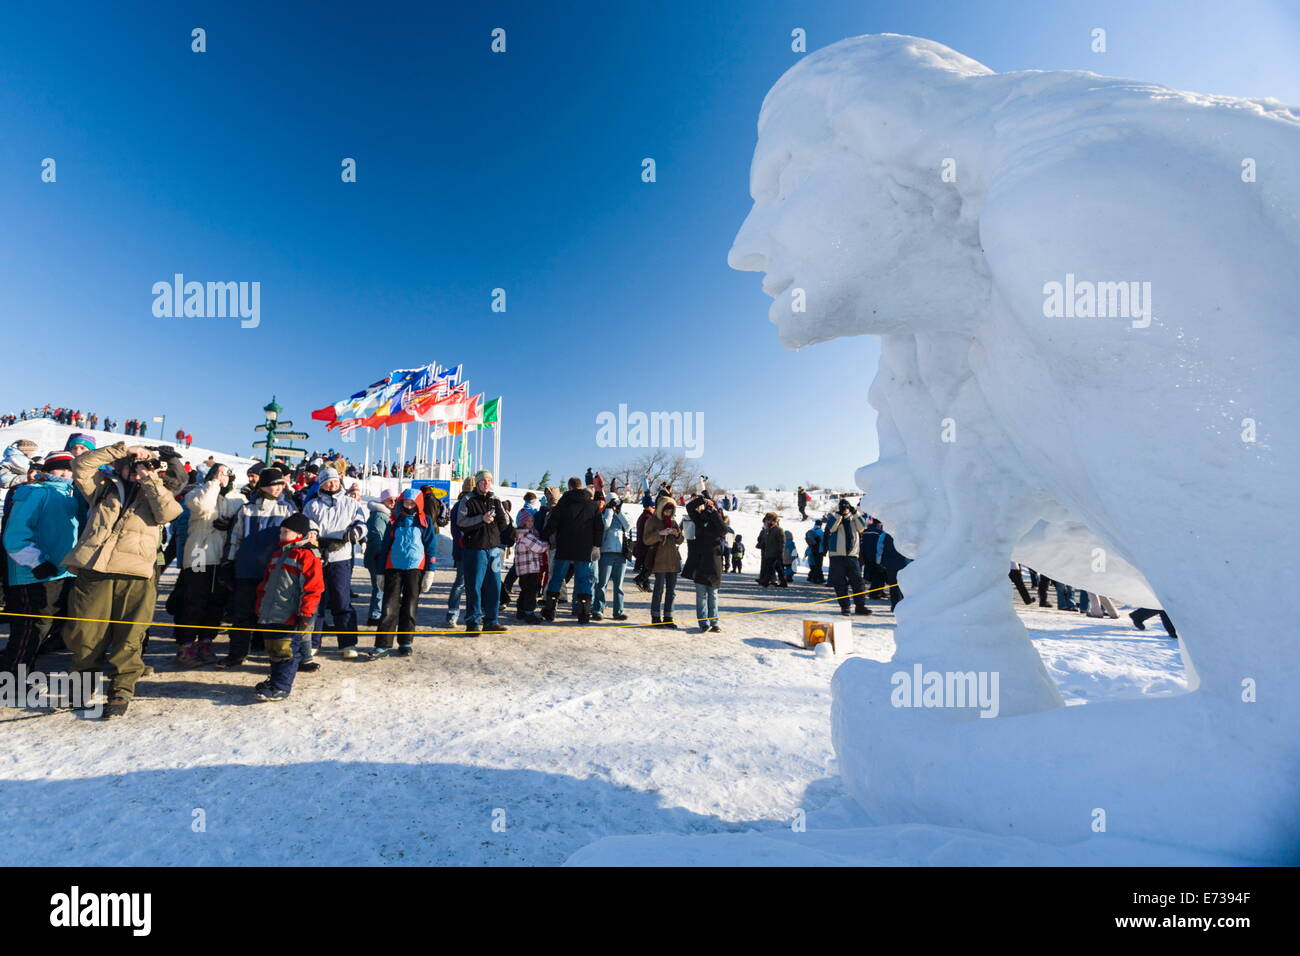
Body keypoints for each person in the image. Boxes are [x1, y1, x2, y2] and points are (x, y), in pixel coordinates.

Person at [60, 442, 183, 718]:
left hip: (136, 574)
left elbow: (168, 513)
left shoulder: (159, 490)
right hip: (95, 570)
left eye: (141, 463)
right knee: (84, 633)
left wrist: (148, 474)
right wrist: (123, 449)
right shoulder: (104, 487)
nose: (135, 468)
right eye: (131, 463)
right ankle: (81, 688)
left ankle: (120, 691)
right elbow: (80, 466)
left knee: (129, 636)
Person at [1, 450, 82, 675]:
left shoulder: (72, 496)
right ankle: (13, 676)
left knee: (46, 627)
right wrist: (36, 562)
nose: (65, 473)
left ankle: (18, 666)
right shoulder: (34, 493)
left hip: (62, 572)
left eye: (70, 469)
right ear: (47, 471)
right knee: (31, 627)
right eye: (60, 468)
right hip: (32, 572)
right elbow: (15, 536)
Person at [221, 467, 298, 667]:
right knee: (242, 613)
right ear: (264, 486)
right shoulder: (247, 509)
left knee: (271, 613)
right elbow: (235, 538)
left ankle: (269, 650)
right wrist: (228, 562)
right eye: (275, 484)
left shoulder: (287, 509)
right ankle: (237, 653)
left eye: (281, 483)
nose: (279, 488)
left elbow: (300, 533)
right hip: (247, 570)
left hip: (274, 571)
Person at [174, 463, 245, 666]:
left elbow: (241, 522)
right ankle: (186, 645)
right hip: (199, 554)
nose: (223, 477)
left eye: (226, 474)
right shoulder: (197, 493)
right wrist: (214, 483)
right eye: (219, 473)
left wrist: (230, 525)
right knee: (193, 602)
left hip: (222, 556)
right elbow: (203, 506)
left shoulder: (237, 499)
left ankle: (206, 642)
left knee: (216, 603)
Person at [250, 513, 325, 701]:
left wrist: (306, 613)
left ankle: (281, 687)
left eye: (286, 532)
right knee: (274, 649)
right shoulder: (278, 554)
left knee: (286, 651)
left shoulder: (307, 556)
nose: (281, 535)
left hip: (290, 615)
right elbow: (265, 584)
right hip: (272, 613)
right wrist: (260, 607)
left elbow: (313, 588)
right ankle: (275, 680)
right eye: (281, 531)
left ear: (299, 534)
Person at [303, 467, 367, 659]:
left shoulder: (350, 503)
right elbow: (306, 524)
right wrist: (314, 536)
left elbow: (362, 524)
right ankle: (313, 642)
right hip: (318, 557)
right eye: (328, 482)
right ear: (321, 484)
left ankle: (348, 643)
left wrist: (353, 534)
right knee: (316, 601)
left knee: (342, 600)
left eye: (335, 481)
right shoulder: (312, 505)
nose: (333, 485)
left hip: (341, 557)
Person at [373, 488, 437, 657]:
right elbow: (385, 546)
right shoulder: (394, 521)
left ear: (419, 504)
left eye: (412, 503)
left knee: (409, 607)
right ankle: (382, 645)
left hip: (415, 568)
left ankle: (406, 642)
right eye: (406, 502)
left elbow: (431, 547)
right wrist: (380, 572)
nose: (409, 506)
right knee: (388, 607)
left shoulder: (425, 522)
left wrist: (430, 571)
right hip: (393, 567)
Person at [540, 477, 603, 623]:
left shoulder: (564, 502)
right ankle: (584, 613)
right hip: (584, 548)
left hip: (564, 547)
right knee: (583, 580)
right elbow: (599, 527)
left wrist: (544, 536)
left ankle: (549, 610)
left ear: (569, 488)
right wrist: (596, 545)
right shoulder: (592, 505)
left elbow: (553, 522)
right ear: (580, 487)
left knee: (557, 577)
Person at [459, 470, 510, 633]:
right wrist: (481, 519)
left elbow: (503, 523)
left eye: (489, 480)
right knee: (474, 586)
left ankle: (491, 621)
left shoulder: (495, 500)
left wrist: (493, 531)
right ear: (478, 483)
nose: (486, 483)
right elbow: (461, 522)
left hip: (493, 549)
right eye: (483, 481)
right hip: (475, 550)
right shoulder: (468, 500)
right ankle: (473, 622)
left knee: (494, 586)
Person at [823, 498, 873, 616]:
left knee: (858, 582)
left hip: (852, 555)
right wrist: (839, 514)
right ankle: (845, 607)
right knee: (840, 583)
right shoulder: (834, 517)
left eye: (846, 507)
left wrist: (855, 512)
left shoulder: (854, 519)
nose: (845, 510)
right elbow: (832, 528)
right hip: (837, 556)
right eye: (843, 507)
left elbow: (862, 527)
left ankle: (860, 606)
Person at [686, 492, 726, 632]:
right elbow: (689, 507)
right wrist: (702, 499)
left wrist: (714, 510)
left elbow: (723, 530)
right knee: (701, 595)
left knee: (713, 595)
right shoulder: (699, 519)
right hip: (700, 561)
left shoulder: (717, 521)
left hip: (714, 562)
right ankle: (703, 623)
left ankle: (714, 622)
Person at [643, 496, 683, 627]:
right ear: (661, 509)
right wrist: (660, 532)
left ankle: (668, 616)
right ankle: (655, 616)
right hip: (659, 560)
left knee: (671, 591)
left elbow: (680, 540)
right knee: (658, 589)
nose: (668, 513)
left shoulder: (673, 521)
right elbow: (646, 540)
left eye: (671, 511)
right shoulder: (652, 521)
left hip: (673, 560)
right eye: (666, 511)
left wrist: (677, 534)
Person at [592, 494, 630, 622]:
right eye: (612, 503)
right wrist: (609, 510)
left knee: (619, 585)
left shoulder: (621, 514)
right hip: (606, 553)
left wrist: (619, 511)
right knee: (602, 583)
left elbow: (628, 525)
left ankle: (618, 611)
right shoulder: (604, 514)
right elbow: (605, 526)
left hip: (621, 554)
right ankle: (598, 610)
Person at [511, 509, 548, 623]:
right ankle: (529, 613)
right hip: (530, 568)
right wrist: (548, 543)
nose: (531, 523)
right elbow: (540, 547)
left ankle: (521, 610)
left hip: (522, 570)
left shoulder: (519, 535)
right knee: (531, 592)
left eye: (532, 521)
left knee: (524, 590)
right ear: (523, 523)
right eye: (528, 521)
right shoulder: (527, 536)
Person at [363, 489, 395, 625]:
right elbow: (377, 538)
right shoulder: (379, 516)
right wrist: (381, 555)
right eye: (390, 500)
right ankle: (375, 616)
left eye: (395, 500)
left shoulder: (385, 514)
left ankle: (377, 613)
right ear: (383, 501)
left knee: (380, 586)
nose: (393, 503)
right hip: (377, 556)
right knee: (379, 586)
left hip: (379, 555)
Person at [756, 512, 787, 587]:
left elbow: (782, 542)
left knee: (771, 568)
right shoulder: (768, 530)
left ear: (773, 521)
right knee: (777, 568)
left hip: (775, 553)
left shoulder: (778, 530)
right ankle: (782, 582)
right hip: (769, 553)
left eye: (768, 520)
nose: (767, 522)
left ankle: (765, 582)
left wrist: (780, 552)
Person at [632, 499, 655, 591]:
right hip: (646, 546)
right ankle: (639, 580)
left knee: (646, 566)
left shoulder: (643, 516)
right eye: (653, 507)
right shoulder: (648, 517)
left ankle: (646, 585)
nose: (654, 508)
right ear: (649, 507)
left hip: (641, 545)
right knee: (649, 567)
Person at [805, 519, 826, 584]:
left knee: (814, 565)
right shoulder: (820, 532)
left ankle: (813, 577)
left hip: (811, 550)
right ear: (821, 524)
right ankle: (816, 579)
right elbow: (823, 541)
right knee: (818, 565)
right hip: (819, 550)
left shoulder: (811, 530)